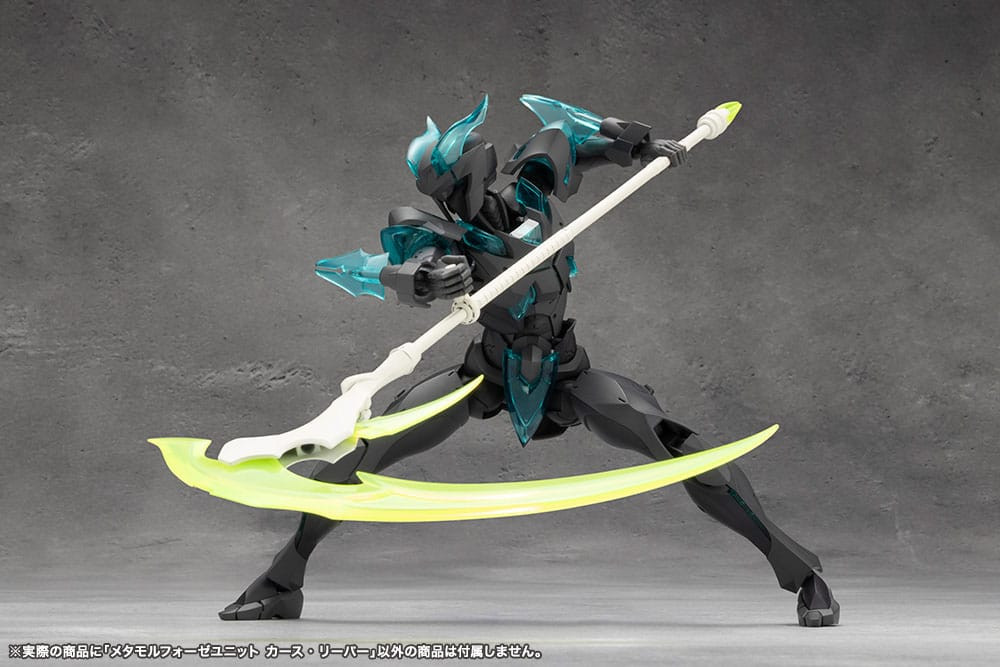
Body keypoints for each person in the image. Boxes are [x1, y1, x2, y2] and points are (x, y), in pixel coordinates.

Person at [219, 95, 840, 627]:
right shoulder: (436, 236)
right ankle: (282, 580)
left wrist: (640, 146)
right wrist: (424, 280)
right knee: (366, 448)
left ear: (478, 169)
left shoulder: (532, 188)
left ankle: (801, 573)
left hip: (565, 371)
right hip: (485, 373)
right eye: (439, 192)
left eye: (453, 185)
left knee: (676, 444)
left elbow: (579, 139)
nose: (448, 200)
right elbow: (385, 267)